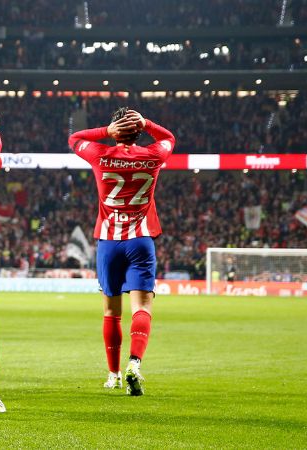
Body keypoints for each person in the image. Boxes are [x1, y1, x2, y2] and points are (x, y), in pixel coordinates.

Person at [68, 107, 175, 396]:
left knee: (111, 312)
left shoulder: (100, 155)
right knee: (142, 308)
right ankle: (134, 363)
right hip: (140, 240)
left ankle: (113, 375)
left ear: (116, 131)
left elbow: (74, 138)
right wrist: (147, 122)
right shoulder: (153, 155)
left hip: (109, 242)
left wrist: (106, 131)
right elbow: (169, 138)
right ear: (138, 132)